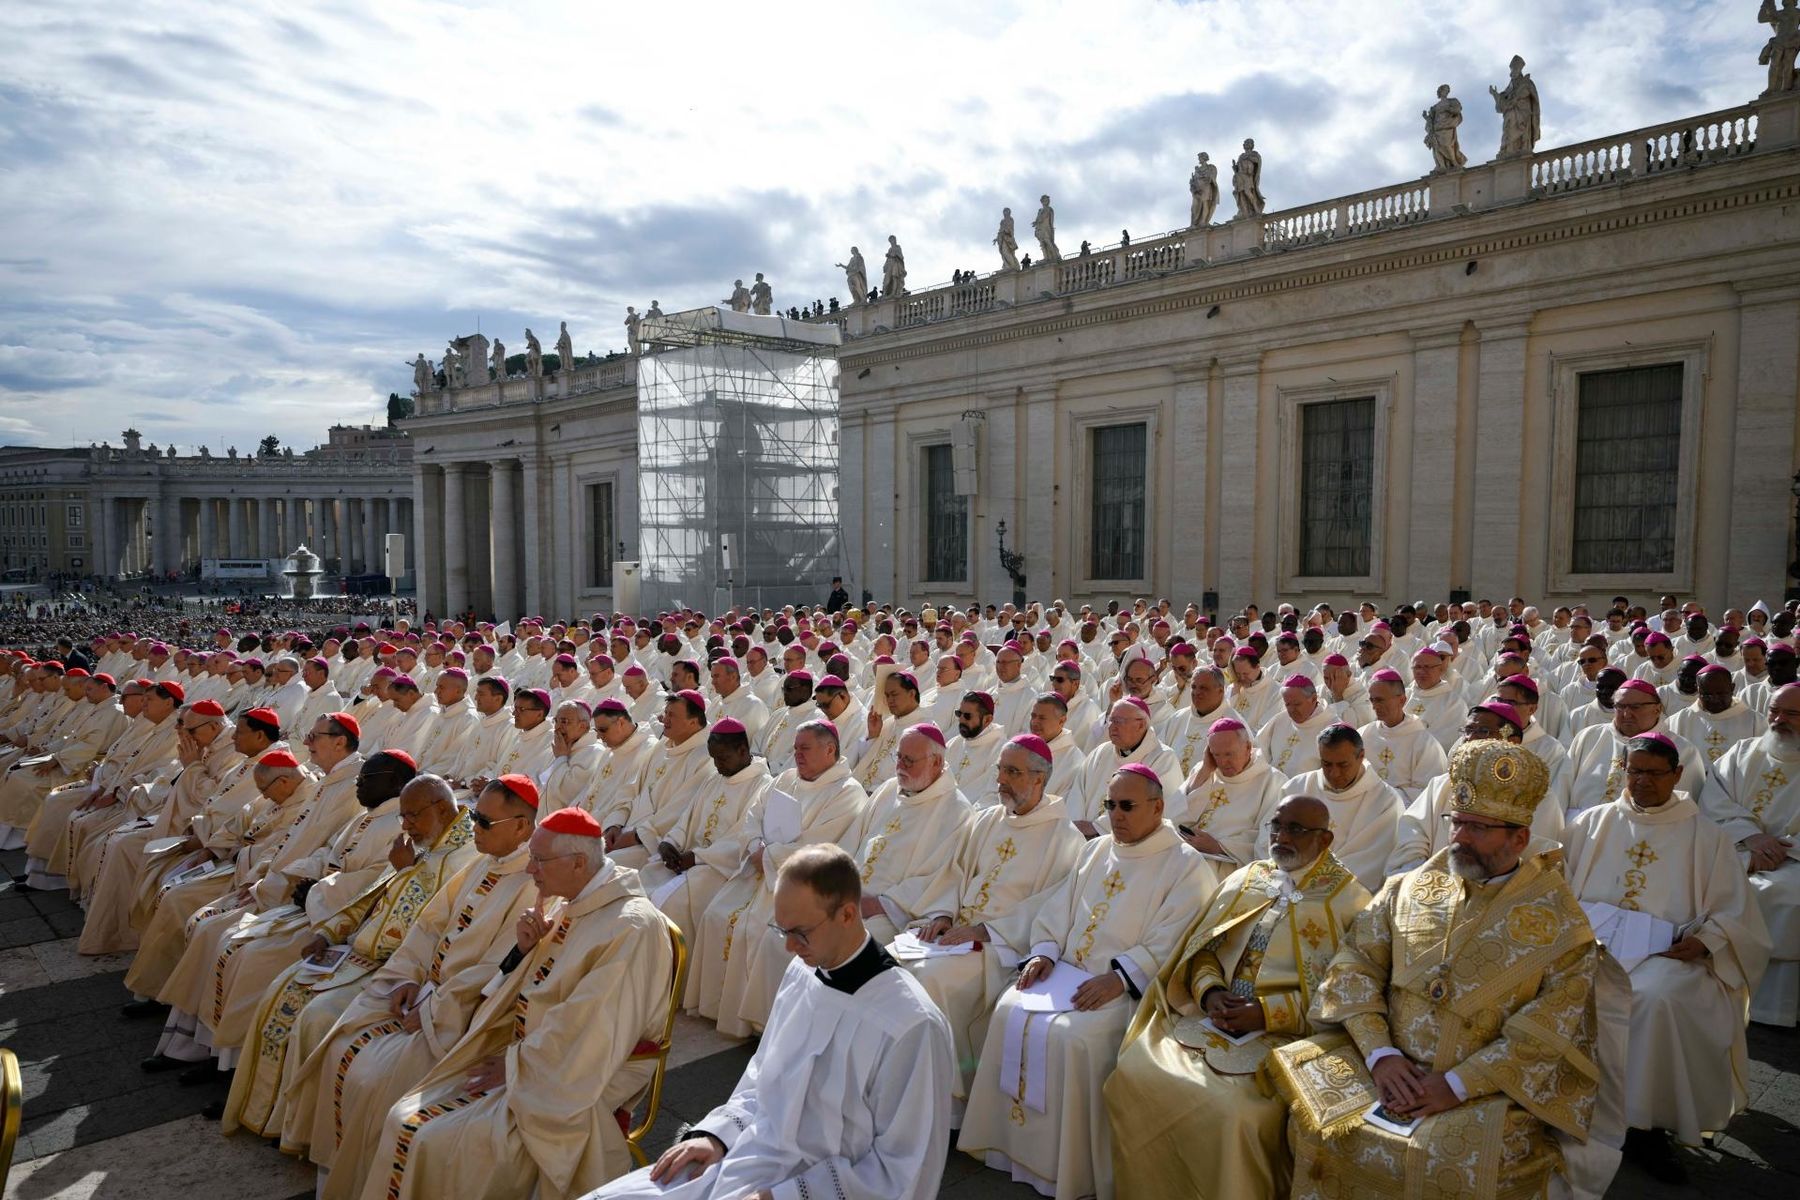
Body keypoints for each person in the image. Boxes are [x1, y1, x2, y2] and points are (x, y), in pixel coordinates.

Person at [1269, 740, 1601, 1200]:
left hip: (1482, 1091)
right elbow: (1354, 965)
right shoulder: (1407, 889)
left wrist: (1458, 1085)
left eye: (1479, 828)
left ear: (1519, 838)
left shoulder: (1561, 926)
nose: (1460, 837)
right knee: (1312, 1122)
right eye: (1457, 822)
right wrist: (1380, 1055)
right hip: (1384, 1064)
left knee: (1446, 1163)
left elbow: (1549, 1030)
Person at [581, 844, 954, 1200]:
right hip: (749, 1158)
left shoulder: (912, 1026)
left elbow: (904, 1173)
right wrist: (718, 1135)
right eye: (782, 930)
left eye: (800, 933)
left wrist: (783, 1195)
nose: (789, 947)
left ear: (847, 915)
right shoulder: (803, 973)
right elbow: (763, 1076)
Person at [360, 806, 674, 1200]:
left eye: (539, 861)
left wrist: (515, 1067)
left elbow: (592, 1030)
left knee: (429, 1138)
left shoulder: (632, 929)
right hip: (532, 1054)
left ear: (579, 863)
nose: (529, 871)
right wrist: (524, 951)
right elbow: (537, 989)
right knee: (403, 1115)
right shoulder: (573, 903)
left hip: (573, 1077)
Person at [959, 764, 1216, 1200]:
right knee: (1009, 1007)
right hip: (1066, 973)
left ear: (1158, 807)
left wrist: (1120, 977)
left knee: (1074, 1039)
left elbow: (1177, 936)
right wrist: (1042, 951)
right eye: (1110, 804)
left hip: (1127, 989)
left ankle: (1070, 1170)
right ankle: (1008, 1148)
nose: (1116, 814)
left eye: (1128, 805)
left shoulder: (1186, 866)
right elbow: (1058, 909)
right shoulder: (1097, 850)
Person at [1104, 795, 1372, 1199]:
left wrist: (1266, 1013)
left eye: (1296, 829)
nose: (1281, 836)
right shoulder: (1250, 877)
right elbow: (1203, 949)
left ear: (1326, 839)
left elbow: (1344, 998)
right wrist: (1210, 993)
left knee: (1234, 1114)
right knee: (1135, 1072)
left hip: (1287, 1038)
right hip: (1212, 1015)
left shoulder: (1350, 901)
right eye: (1276, 826)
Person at [305, 775, 541, 1196]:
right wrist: (407, 976)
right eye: (475, 819)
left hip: (459, 1018)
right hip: (425, 991)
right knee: (340, 1042)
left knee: (375, 1077)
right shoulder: (479, 864)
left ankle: (368, 1183)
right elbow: (428, 927)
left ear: (522, 827)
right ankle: (340, 1176)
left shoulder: (532, 887)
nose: (473, 829)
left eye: (484, 822)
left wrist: (433, 1008)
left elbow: (491, 971)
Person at [217, 773, 475, 1134]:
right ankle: (267, 1108)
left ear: (443, 809)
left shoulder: (468, 856)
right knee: (281, 988)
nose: (407, 825)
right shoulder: (423, 843)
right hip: (357, 953)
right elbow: (370, 896)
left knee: (314, 1017)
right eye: (403, 816)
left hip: (393, 967)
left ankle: (299, 1126)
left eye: (413, 816)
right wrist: (327, 932)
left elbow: (436, 925)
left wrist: (407, 870)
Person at [1563, 733, 1769, 1180]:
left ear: (1677, 775)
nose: (1641, 782)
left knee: (1656, 999)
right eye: (1633, 771)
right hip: (1591, 945)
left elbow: (1735, 912)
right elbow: (1558, 889)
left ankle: (1643, 1127)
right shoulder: (1592, 822)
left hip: (1669, 954)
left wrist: (1706, 941)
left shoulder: (1707, 836)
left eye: (1653, 774)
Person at [903, 734, 1084, 1115]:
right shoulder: (986, 819)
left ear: (1039, 779)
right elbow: (955, 873)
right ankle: (898, 1081)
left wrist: (985, 932)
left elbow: (1051, 906)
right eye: (1000, 769)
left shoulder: (1062, 837)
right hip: (956, 932)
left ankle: (939, 1102)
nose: (1000, 779)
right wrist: (942, 914)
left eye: (1012, 772)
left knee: (931, 979)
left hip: (998, 946)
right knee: (895, 963)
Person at [1699, 680, 1800, 1025]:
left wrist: (1779, 849)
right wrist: (1751, 838)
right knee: (1708, 883)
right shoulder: (1743, 752)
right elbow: (1714, 800)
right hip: (1740, 849)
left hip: (1793, 861)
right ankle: (1715, 988)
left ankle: (1774, 1006)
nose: (1779, 719)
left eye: (1791, 714)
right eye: (1774, 711)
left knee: (1785, 894)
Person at [638, 718, 772, 950]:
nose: (717, 765)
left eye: (723, 758)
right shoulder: (715, 778)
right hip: (687, 860)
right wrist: (670, 842)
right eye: (713, 758)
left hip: (718, 869)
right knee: (641, 884)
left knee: (668, 904)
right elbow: (687, 818)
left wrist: (698, 857)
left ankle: (671, 974)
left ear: (742, 750)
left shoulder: (762, 785)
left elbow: (741, 837)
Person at [1265, 724, 1402, 891]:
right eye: (1326, 764)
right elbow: (1271, 839)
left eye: (1343, 765)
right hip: (1285, 885)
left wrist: (1312, 885)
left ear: (1361, 756)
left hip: (1343, 894)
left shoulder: (1385, 801)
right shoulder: (1296, 788)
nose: (1334, 773)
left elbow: (1371, 862)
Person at [1178, 716, 1286, 867]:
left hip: (1228, 865)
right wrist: (1204, 773)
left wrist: (1219, 846)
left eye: (1229, 754)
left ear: (1248, 747)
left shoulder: (1274, 782)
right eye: (1216, 755)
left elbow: (1267, 838)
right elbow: (1174, 817)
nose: (1222, 762)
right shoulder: (1204, 771)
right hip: (1185, 855)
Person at [1358, 667, 1448, 802]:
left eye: (1380, 700)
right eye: (1372, 700)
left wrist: (1382, 795)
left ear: (1401, 700)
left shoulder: (1425, 743)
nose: (1375, 706)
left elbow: (1428, 795)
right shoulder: (1363, 734)